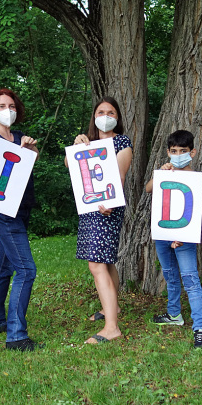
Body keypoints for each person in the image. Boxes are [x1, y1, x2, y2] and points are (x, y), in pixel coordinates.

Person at [0, 89, 41, 351]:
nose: (8, 110)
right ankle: (16, 336)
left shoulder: (19, 136)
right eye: (2, 105)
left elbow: (30, 164)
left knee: (5, 266)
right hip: (4, 212)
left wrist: (30, 147)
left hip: (22, 207)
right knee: (26, 270)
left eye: (12, 105)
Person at [69, 96, 133, 344]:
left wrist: (110, 203)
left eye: (111, 112)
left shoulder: (122, 142)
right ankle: (112, 309)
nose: (106, 116)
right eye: (101, 111)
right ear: (94, 117)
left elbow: (120, 175)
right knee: (105, 262)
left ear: (117, 118)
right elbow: (69, 164)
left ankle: (111, 329)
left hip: (107, 207)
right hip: (89, 208)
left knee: (96, 264)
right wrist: (77, 145)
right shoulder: (88, 143)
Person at [145, 130, 202, 349]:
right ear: (168, 152)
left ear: (193, 152)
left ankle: (200, 329)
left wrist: (181, 236)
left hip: (184, 237)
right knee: (170, 275)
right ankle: (174, 314)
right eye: (174, 151)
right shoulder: (166, 173)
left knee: (190, 280)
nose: (178, 155)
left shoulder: (195, 180)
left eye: (183, 151)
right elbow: (148, 189)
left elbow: (197, 213)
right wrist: (160, 173)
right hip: (164, 234)